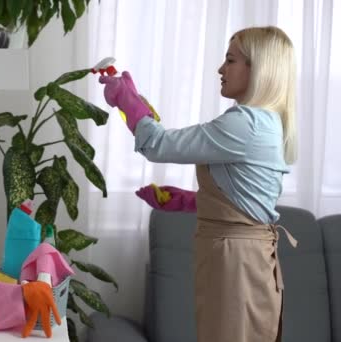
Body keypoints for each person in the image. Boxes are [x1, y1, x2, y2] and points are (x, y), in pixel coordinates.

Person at [99, 26, 298, 342]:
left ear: (258, 69)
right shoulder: (268, 121)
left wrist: (127, 102)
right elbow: (248, 196)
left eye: (230, 60)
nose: (221, 69)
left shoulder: (244, 123)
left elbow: (158, 144)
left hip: (236, 261)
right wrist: (191, 200)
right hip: (245, 257)